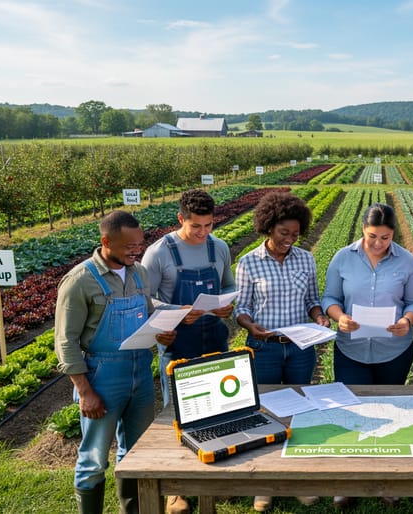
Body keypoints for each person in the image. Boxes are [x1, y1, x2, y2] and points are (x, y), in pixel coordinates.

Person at [54, 210, 176, 514]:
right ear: (106, 241)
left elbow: (146, 314)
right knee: (94, 457)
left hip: (140, 372)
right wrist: (85, 391)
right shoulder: (80, 280)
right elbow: (65, 341)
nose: (137, 252)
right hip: (102, 376)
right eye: (129, 248)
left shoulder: (139, 273)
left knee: (136, 451)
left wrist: (160, 333)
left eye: (140, 246)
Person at [322, 203, 413, 509]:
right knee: (353, 414)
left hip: (394, 350)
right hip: (350, 349)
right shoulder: (343, 258)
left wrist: (407, 321)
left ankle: (387, 482)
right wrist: (339, 317)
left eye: (385, 237)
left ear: (393, 234)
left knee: (391, 413)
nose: (378, 243)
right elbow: (330, 298)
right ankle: (349, 482)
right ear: (362, 232)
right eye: (371, 236)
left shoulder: (407, 263)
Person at [140, 188, 236, 514]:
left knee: (220, 408)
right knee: (178, 414)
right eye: (196, 226)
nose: (203, 233)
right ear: (180, 219)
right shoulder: (159, 253)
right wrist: (175, 309)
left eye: (209, 225)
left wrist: (225, 306)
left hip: (214, 336)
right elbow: (145, 299)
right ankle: (177, 490)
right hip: (177, 339)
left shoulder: (219, 248)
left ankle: (217, 478)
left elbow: (225, 285)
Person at [234, 190, 329, 513]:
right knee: (263, 414)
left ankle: (297, 480)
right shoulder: (249, 262)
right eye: (283, 232)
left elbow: (311, 300)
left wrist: (319, 317)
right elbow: (241, 308)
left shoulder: (306, 258)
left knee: (299, 413)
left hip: (300, 348)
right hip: (264, 347)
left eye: (295, 233)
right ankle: (264, 486)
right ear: (268, 227)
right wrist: (250, 326)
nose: (290, 238)